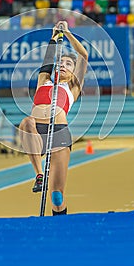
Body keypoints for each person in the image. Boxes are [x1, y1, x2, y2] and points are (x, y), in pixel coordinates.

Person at [19, 21, 88, 215]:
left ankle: (59, 223)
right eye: (61, 63)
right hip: (38, 132)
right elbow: (47, 61)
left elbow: (83, 55)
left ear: (74, 71)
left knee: (57, 195)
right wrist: (53, 37)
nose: (63, 65)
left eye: (68, 64)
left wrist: (67, 33)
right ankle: (39, 175)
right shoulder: (44, 81)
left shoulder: (73, 88)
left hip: (59, 135)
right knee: (26, 122)